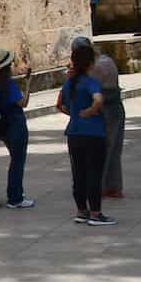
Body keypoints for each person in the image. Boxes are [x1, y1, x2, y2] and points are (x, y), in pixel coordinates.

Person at [58, 42, 113, 225]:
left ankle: (82, 211)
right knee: (94, 174)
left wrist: (75, 114)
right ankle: (96, 213)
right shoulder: (91, 83)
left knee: (79, 173)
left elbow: (60, 105)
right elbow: (98, 100)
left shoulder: (69, 84)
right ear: (90, 63)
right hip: (93, 133)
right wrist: (90, 111)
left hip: (74, 133)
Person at [0, 48, 33, 208]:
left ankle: (16, 191)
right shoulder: (8, 84)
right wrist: (28, 85)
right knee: (18, 161)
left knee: (15, 159)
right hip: (16, 123)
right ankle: (15, 197)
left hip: (3, 126)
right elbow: (23, 103)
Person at [92, 52, 125, 199]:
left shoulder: (97, 66)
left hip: (107, 110)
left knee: (104, 149)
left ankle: (103, 187)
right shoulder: (106, 60)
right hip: (116, 108)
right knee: (114, 150)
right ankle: (114, 187)